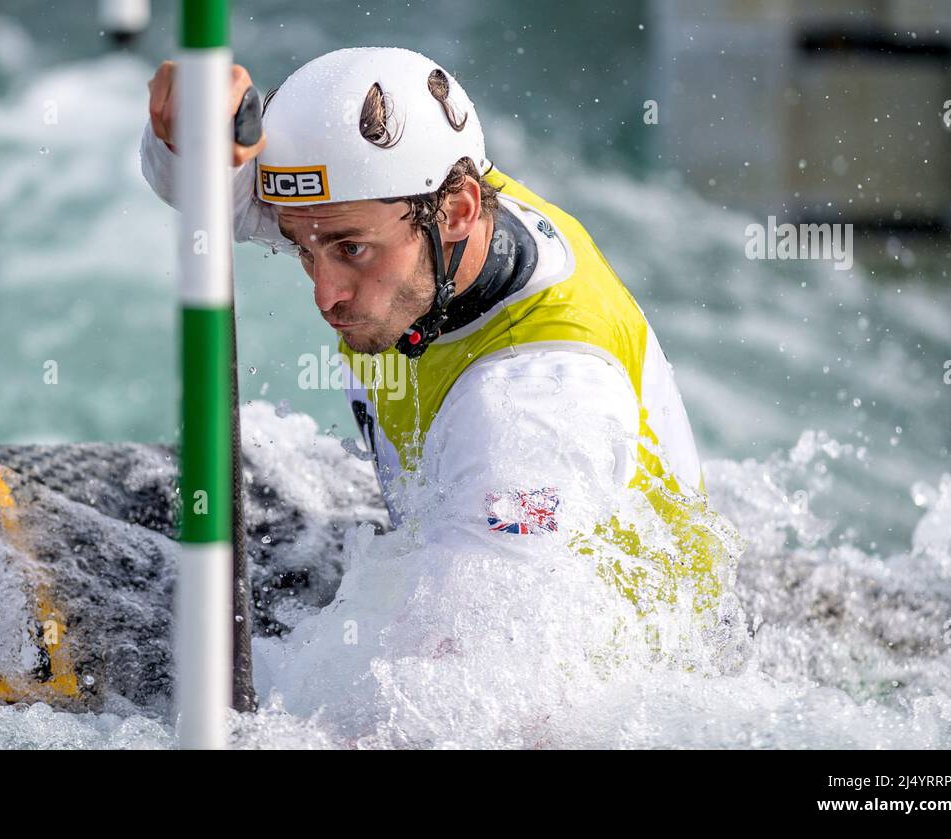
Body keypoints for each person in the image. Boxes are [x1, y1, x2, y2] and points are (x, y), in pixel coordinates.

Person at [142, 47, 730, 616]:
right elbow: (222, 198)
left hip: (578, 669)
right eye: (303, 248)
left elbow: (461, 685)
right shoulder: (421, 207)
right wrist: (192, 137)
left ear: (458, 212)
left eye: (351, 250)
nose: (326, 294)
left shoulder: (532, 408)